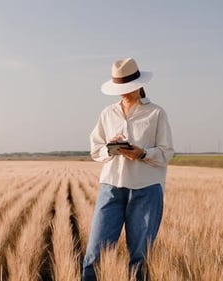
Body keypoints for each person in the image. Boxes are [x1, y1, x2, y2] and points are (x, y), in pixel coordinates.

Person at [82, 58, 174, 281]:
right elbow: (96, 150)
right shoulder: (108, 113)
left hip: (146, 190)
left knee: (140, 258)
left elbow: (166, 152)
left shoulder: (156, 113)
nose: (122, 93)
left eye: (127, 88)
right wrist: (111, 148)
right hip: (111, 188)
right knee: (95, 255)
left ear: (139, 85)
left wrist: (141, 153)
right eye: (119, 89)